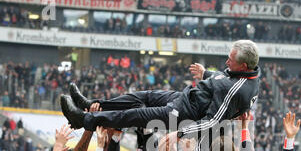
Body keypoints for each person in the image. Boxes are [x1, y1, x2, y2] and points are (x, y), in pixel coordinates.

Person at [61, 40, 260, 144]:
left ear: (243, 65)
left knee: (136, 115)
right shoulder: (243, 73)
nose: (226, 62)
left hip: (184, 115)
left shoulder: (238, 90)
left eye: (231, 60)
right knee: (141, 96)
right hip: (185, 96)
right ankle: (90, 105)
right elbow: (223, 79)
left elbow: (212, 121)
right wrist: (206, 73)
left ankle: (84, 120)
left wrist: (180, 133)